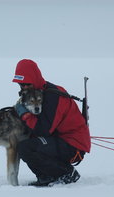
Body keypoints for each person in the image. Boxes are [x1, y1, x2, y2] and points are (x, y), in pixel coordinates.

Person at [13, 59, 91, 187]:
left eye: (27, 83)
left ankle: (66, 173)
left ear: (35, 78)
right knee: (27, 142)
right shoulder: (39, 92)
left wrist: (25, 115)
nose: (24, 87)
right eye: (21, 85)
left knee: (25, 147)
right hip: (61, 139)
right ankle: (46, 176)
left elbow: (42, 130)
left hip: (73, 145)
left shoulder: (52, 96)